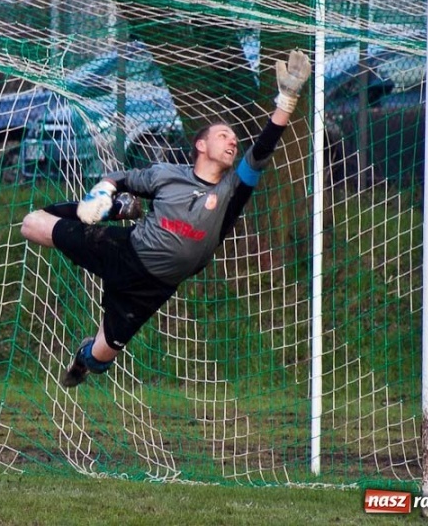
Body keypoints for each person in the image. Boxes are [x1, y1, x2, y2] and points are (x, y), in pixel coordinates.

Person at [20, 50, 312, 387]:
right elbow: (121, 178)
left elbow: (261, 150)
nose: (232, 140)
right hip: (124, 251)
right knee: (32, 224)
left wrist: (287, 99)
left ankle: (83, 360)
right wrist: (104, 190)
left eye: (234, 139)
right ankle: (114, 212)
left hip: (154, 288)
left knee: (101, 358)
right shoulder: (167, 175)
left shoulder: (234, 190)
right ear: (200, 145)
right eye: (223, 136)